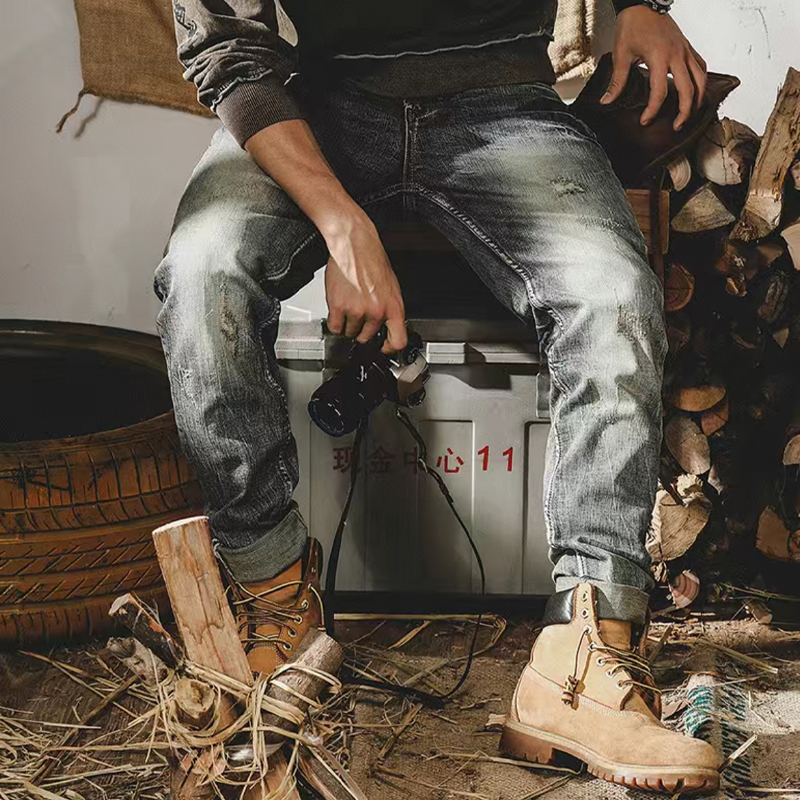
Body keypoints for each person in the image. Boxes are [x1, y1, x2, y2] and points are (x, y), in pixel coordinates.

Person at [155, 0, 719, 791]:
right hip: (317, 106)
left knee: (614, 297)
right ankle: (276, 604)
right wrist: (342, 224)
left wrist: (638, 7)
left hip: (504, 102)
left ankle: (583, 662)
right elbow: (229, 50)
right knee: (202, 276)